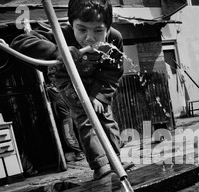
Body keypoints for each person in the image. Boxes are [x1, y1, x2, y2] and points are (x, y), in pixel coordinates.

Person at [11, 0, 127, 180]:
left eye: (98, 30)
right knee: (85, 114)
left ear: (109, 27)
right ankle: (100, 165)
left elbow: (113, 71)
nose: (90, 37)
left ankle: (115, 159)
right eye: (81, 29)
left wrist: (99, 96)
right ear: (71, 24)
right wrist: (57, 51)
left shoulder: (114, 38)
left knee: (104, 114)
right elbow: (20, 42)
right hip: (66, 78)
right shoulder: (61, 35)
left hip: (96, 79)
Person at [46, 83, 85, 163]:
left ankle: (79, 153)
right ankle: (79, 152)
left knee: (68, 136)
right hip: (68, 115)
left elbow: (47, 89)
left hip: (66, 117)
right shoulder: (60, 92)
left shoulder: (55, 93)